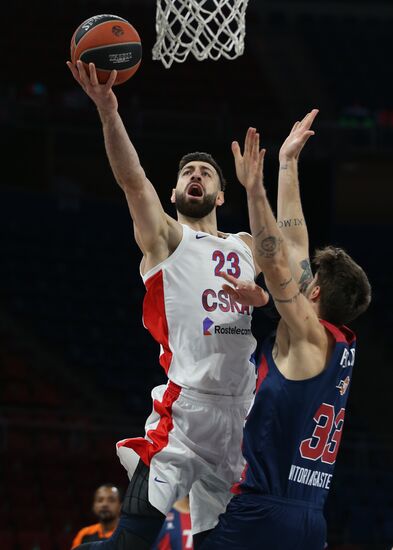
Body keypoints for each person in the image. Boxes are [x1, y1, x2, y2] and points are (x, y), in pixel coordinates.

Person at [66, 60, 269, 549]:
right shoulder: (166, 239)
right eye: (187, 172)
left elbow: (285, 273)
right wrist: (109, 112)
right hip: (185, 416)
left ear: (221, 193)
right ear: (176, 192)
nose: (195, 175)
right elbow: (133, 181)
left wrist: (257, 190)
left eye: (205, 172)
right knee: (128, 545)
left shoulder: (244, 245)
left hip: (240, 418)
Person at [200, 115, 372, 549]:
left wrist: (254, 190)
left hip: (262, 513)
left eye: (310, 276)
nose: (304, 271)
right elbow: (295, 246)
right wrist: (287, 164)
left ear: (313, 292)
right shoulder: (334, 343)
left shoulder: (308, 333)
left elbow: (277, 264)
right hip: (310, 519)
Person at [71, 484, 122, 548]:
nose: (104, 504)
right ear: (94, 506)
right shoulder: (84, 534)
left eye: (111, 500)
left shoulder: (130, 534)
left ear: (121, 506)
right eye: (100, 500)